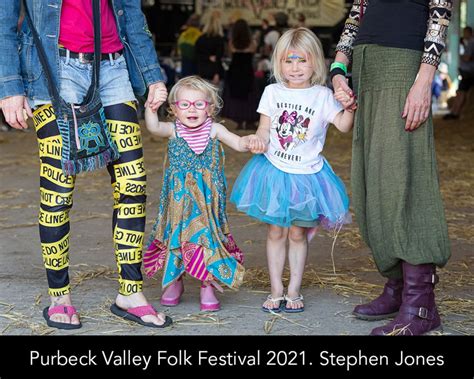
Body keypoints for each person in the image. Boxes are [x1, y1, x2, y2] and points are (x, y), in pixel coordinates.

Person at [0, 0, 172, 329]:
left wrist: (153, 76)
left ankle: (130, 294)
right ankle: (59, 297)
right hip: (53, 69)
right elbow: (3, 22)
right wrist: (9, 88)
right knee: (58, 189)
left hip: (113, 68)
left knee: (133, 183)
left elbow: (132, 14)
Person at [332, 0, 452, 335]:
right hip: (367, 67)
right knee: (375, 180)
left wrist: (423, 79)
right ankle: (398, 288)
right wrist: (338, 69)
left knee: (403, 175)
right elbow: (357, 15)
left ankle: (420, 303)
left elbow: (440, 14)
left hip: (403, 66)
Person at [231, 28, 353, 313]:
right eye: (288, 61)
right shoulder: (272, 92)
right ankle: (276, 289)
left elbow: (344, 126)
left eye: (302, 61)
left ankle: (294, 290)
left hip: (308, 176)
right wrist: (259, 141)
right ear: (279, 63)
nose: (295, 68)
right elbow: (264, 127)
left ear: (315, 64)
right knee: (275, 232)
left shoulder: (322, 96)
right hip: (275, 172)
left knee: (298, 234)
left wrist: (350, 106)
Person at [143, 76, 265, 311]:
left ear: (210, 109)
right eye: (185, 104)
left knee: (206, 238)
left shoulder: (215, 130)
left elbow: (239, 144)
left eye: (199, 104)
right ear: (174, 110)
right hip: (178, 201)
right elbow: (153, 127)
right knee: (176, 237)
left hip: (207, 202)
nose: (192, 109)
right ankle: (174, 281)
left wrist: (251, 140)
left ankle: (207, 284)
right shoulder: (173, 130)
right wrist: (150, 109)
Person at [222, 19, 259, 130]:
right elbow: (254, 54)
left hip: (234, 71)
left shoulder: (232, 42)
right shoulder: (253, 43)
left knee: (235, 97)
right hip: (247, 71)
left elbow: (229, 54)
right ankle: (249, 121)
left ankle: (238, 121)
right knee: (249, 97)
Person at [444, 26, 474, 120]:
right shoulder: (469, 43)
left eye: (465, 32)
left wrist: (459, 56)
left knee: (461, 93)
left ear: (469, 33)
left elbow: (468, 58)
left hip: (468, 72)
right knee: (460, 92)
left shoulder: (471, 43)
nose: (463, 35)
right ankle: (454, 112)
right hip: (468, 71)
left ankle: (455, 113)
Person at [195, 11, 226, 86]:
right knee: (216, 96)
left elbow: (196, 55)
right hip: (215, 74)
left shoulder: (200, 39)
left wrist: (207, 57)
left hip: (202, 73)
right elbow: (218, 58)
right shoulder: (219, 39)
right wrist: (217, 73)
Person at [177, 14, 202, 78]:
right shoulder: (200, 35)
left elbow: (179, 49)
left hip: (185, 65)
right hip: (196, 66)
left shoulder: (183, 34)